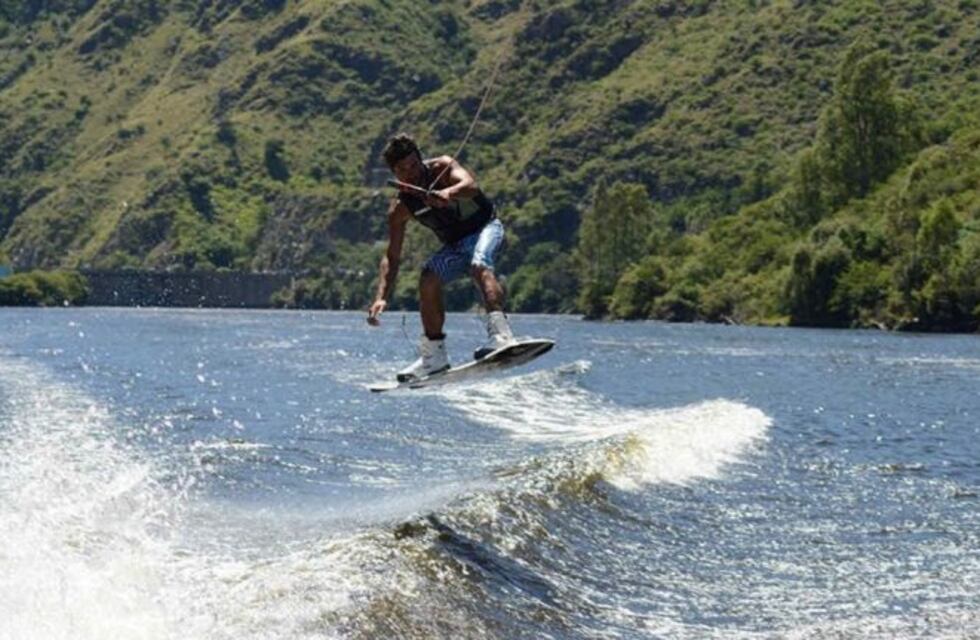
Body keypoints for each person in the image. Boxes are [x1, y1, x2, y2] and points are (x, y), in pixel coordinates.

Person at [367, 133, 516, 382]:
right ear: (395, 174)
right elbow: (392, 256)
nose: (411, 172)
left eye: (414, 164)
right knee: (428, 279)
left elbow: (471, 186)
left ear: (421, 159)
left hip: (486, 228)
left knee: (479, 264)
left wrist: (449, 193)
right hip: (455, 246)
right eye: (403, 170)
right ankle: (434, 357)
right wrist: (381, 297)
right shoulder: (401, 208)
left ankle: (501, 336)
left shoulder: (443, 168)